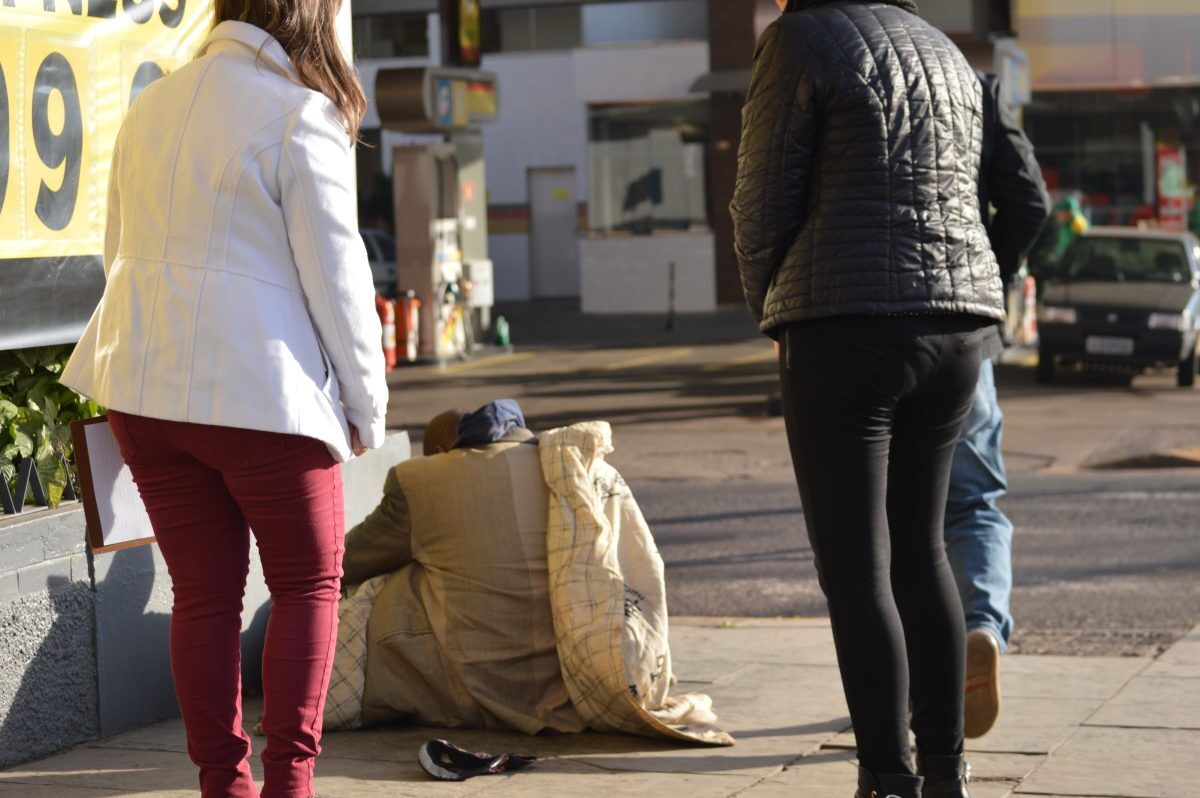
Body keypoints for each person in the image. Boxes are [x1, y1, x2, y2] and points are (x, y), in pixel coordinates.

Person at [60, 2, 389, 795]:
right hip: (261, 394)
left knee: (203, 594)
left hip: (145, 389)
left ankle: (224, 784)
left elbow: (117, 253)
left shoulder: (150, 103)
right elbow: (339, 284)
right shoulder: (299, 115)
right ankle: (290, 784)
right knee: (308, 582)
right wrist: (366, 406)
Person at [732, 2, 1007, 796]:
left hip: (848, 326)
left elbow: (760, 204)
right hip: (958, 326)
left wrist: (771, 310)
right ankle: (947, 773)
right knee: (923, 552)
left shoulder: (798, 39)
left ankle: (887, 779)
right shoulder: (942, 47)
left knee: (857, 569)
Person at [326, 402, 731, 746]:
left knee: (381, 590)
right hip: (582, 674)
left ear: (440, 448)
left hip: (480, 684)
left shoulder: (421, 477)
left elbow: (349, 562)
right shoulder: (577, 467)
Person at [945, 73, 1050, 741]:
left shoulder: (815, 58)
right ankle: (981, 626)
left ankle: (905, 673)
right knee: (973, 502)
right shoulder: (969, 81)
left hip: (854, 334)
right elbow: (1029, 202)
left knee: (882, 519)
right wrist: (993, 280)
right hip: (963, 328)